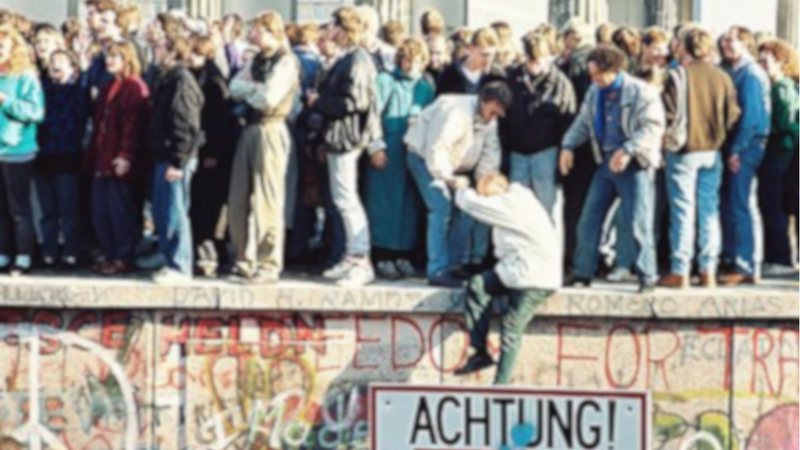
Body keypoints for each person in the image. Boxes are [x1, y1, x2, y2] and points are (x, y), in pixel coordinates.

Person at [560, 45, 665, 293]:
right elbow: (583, 123)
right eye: (591, 74)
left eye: (598, 74)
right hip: (606, 162)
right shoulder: (594, 93)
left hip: (635, 165)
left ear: (614, 70)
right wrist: (568, 145)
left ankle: (647, 274)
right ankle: (582, 270)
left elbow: (652, 127)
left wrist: (629, 149)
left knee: (638, 221)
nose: (594, 79)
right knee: (589, 218)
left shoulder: (641, 92)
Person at [451, 173, 560, 385]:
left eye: (490, 197)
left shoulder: (512, 204)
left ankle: (501, 385)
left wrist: (461, 188)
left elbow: (472, 205)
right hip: (515, 271)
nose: (490, 203)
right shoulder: (516, 200)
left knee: (510, 327)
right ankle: (479, 352)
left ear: (502, 188)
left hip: (534, 279)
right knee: (478, 286)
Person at [404, 81, 511, 287]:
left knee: (467, 207)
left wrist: (484, 183)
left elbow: (490, 153)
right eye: (493, 112)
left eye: (498, 114)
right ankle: (437, 269)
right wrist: (448, 178)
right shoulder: (456, 112)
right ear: (485, 101)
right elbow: (437, 148)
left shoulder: (490, 121)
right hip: (424, 157)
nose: (494, 118)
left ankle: (455, 265)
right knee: (441, 206)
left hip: (455, 165)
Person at [657, 28, 741, 288]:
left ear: (685, 48)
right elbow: (733, 114)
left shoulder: (677, 76)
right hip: (712, 151)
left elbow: (667, 114)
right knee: (709, 210)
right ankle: (708, 270)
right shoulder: (723, 77)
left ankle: (680, 270)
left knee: (682, 211)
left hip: (684, 150)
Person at [308, 6, 381, 287]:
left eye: (333, 26)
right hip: (341, 136)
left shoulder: (357, 60)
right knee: (343, 199)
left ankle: (360, 259)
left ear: (344, 29)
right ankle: (353, 255)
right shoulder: (351, 59)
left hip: (346, 138)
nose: (329, 31)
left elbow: (355, 102)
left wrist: (319, 102)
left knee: (347, 199)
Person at [227, 11, 299, 283]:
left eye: (257, 30)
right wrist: (253, 88)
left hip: (271, 127)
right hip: (249, 128)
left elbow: (269, 98)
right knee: (239, 198)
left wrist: (251, 89)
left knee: (268, 199)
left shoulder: (286, 62)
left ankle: (268, 262)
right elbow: (234, 86)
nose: (252, 36)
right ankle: (243, 258)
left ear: (272, 31)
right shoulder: (257, 60)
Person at [365, 37, 435, 280]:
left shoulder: (425, 87)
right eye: (406, 59)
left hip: (413, 150)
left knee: (409, 204)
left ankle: (403, 254)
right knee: (384, 203)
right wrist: (375, 146)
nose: (410, 64)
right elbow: (373, 115)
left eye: (416, 60)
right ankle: (382, 254)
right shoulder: (386, 81)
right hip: (388, 147)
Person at [86, 41, 149, 275]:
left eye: (115, 57)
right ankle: (110, 254)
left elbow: (133, 127)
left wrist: (126, 155)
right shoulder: (109, 86)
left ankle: (123, 257)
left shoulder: (134, 87)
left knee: (120, 211)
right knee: (100, 210)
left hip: (121, 160)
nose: (110, 61)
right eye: (108, 56)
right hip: (103, 158)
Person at [499, 32, 576, 218]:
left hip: (546, 152)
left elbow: (567, 121)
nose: (535, 67)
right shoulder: (512, 80)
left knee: (545, 207)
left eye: (539, 61)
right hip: (517, 152)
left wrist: (563, 152)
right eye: (530, 61)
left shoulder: (560, 83)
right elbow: (503, 118)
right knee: (516, 208)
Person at [147, 36, 204, 283]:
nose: (154, 52)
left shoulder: (181, 80)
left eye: (159, 47)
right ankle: (170, 258)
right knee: (163, 210)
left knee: (175, 210)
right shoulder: (167, 79)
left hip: (175, 155)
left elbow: (186, 123)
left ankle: (180, 265)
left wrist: (179, 160)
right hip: (165, 153)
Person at [718, 26, 771, 285]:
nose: (726, 45)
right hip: (741, 144)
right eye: (725, 40)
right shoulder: (736, 72)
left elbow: (751, 118)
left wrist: (737, 150)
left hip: (747, 145)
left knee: (742, 203)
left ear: (745, 43)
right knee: (734, 203)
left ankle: (746, 263)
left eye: (731, 41)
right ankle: (737, 258)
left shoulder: (750, 75)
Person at [35, 49, 91, 269]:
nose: (55, 67)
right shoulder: (43, 90)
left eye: (60, 62)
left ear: (72, 67)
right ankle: (49, 250)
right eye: (52, 63)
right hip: (44, 156)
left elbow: (81, 115)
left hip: (68, 156)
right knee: (48, 210)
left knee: (68, 208)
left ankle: (70, 251)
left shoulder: (77, 91)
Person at [188, 35, 235, 277]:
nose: (189, 58)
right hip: (201, 149)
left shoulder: (214, 82)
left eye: (195, 54)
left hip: (212, 152)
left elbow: (219, 121)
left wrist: (214, 152)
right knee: (199, 205)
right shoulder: (198, 77)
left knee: (209, 205)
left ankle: (211, 253)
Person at [0, 24, 45, 274]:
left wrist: (7, 103)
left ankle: (24, 253)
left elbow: (35, 112)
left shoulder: (25, 77)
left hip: (17, 149)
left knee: (19, 207)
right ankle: (4, 251)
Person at [757, 39, 799, 275]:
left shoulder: (780, 88)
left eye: (766, 62)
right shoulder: (787, 86)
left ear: (781, 63)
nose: (761, 66)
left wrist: (761, 130)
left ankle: (779, 258)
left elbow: (784, 123)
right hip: (783, 153)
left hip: (778, 153)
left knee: (772, 205)